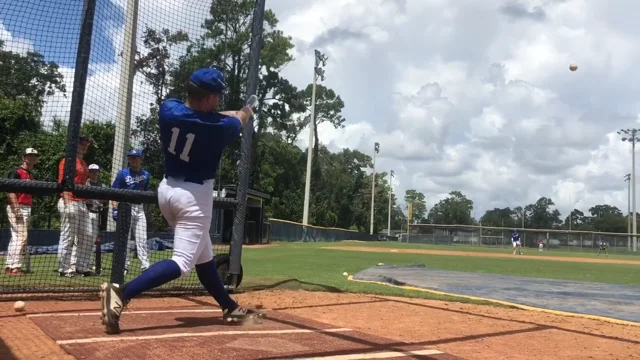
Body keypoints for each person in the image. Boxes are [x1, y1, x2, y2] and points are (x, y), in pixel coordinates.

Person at [99, 67, 262, 334]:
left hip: (167, 192)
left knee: (204, 256)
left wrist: (225, 114)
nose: (218, 101)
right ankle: (122, 294)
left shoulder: (168, 109)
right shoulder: (222, 127)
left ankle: (229, 307)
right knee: (183, 263)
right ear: (209, 98)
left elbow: (204, 117)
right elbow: (240, 118)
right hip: (194, 199)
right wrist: (248, 108)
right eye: (216, 96)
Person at [57, 135, 95, 277]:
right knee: (68, 236)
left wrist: (89, 200)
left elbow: (83, 184)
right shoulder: (67, 161)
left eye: (86, 144)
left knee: (88, 235)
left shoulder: (83, 163)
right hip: (70, 201)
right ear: (75, 145)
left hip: (81, 202)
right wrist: (68, 203)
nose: (84, 146)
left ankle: (81, 266)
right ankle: (64, 269)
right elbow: (63, 182)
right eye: (82, 144)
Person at [110, 150, 151, 274]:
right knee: (125, 239)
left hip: (139, 208)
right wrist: (115, 209)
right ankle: (124, 266)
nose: (133, 160)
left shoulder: (146, 174)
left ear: (141, 159)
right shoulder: (123, 173)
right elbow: (113, 192)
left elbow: (145, 193)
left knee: (142, 238)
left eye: (135, 157)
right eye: (131, 158)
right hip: (126, 208)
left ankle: (145, 266)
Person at [4, 148, 39, 275]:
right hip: (18, 207)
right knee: (22, 237)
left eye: (34, 156)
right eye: (30, 156)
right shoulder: (16, 173)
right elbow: (10, 191)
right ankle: (15, 267)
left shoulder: (31, 175)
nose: (32, 158)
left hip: (26, 207)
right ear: (23, 158)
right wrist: (16, 207)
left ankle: (10, 266)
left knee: (16, 237)